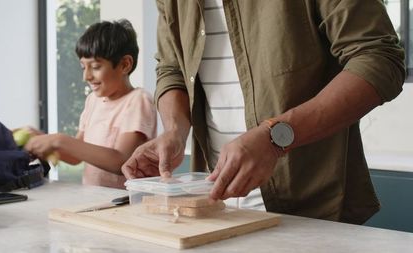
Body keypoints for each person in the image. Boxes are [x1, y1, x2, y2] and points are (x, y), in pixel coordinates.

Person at [121, 0, 405, 224]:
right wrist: (174, 131)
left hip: (314, 213)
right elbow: (172, 69)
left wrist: (276, 137)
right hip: (214, 213)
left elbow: (379, 59)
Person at [25, 19, 157, 189]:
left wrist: (60, 140)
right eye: (83, 67)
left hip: (128, 203)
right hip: (95, 199)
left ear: (125, 64)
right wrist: (42, 139)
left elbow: (122, 162)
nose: (86, 76)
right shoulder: (93, 101)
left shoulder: (139, 100)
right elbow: (75, 156)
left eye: (95, 67)